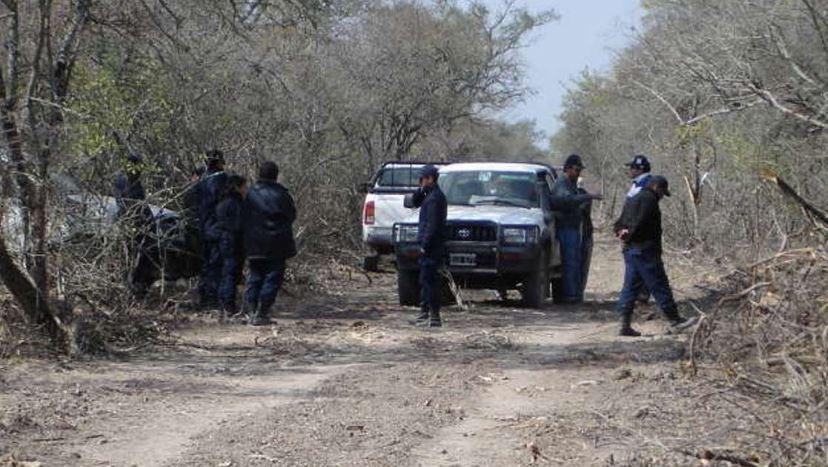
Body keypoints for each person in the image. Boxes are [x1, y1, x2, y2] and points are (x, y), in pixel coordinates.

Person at [613, 176, 697, 336]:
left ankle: (623, 324)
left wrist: (621, 232)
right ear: (656, 187)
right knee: (660, 285)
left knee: (630, 287)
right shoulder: (649, 199)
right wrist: (629, 234)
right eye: (662, 192)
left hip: (631, 251)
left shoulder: (632, 198)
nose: (661, 197)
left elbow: (620, 222)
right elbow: (640, 222)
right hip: (645, 251)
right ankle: (674, 320)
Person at [242, 161, 297, 326]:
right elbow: (291, 215)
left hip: (255, 243)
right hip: (277, 243)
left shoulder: (250, 194)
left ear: (260, 174)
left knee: (255, 275)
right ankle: (262, 311)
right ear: (276, 175)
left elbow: (243, 215)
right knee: (272, 277)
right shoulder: (282, 194)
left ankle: (251, 310)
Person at [551, 154, 602, 304]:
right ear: (567, 169)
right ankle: (570, 295)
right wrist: (588, 197)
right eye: (576, 169)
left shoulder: (571, 184)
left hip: (573, 227)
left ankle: (574, 293)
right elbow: (566, 201)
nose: (579, 173)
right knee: (570, 262)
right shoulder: (562, 184)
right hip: (566, 228)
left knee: (575, 261)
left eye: (580, 170)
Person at [410, 165, 447, 327]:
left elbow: (432, 225)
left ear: (430, 179)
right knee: (425, 279)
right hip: (430, 245)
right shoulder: (429, 195)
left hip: (432, 246)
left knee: (430, 280)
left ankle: (433, 316)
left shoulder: (435, 199)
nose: (420, 182)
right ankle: (425, 313)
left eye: (422, 179)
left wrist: (424, 245)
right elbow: (414, 201)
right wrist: (421, 189)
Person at [114, 153, 153, 295]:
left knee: (135, 256)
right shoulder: (126, 180)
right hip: (131, 223)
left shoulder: (129, 179)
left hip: (134, 223)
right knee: (133, 256)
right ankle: (132, 287)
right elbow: (130, 203)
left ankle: (134, 286)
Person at [197, 150, 228, 309]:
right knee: (216, 265)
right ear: (218, 163)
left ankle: (204, 298)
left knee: (206, 265)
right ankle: (213, 299)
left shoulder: (201, 181)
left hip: (203, 228)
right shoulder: (222, 180)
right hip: (218, 229)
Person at [215, 175, 247, 321]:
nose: (245, 189)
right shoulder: (235, 204)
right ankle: (229, 305)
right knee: (231, 274)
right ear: (237, 187)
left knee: (226, 273)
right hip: (233, 243)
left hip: (224, 241)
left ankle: (224, 304)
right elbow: (239, 226)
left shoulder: (222, 202)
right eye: (244, 186)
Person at [624, 155, 653, 304]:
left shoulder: (647, 184)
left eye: (632, 167)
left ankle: (642, 295)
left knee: (643, 264)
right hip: (632, 233)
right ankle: (635, 295)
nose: (630, 170)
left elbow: (642, 213)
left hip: (640, 234)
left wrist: (631, 230)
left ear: (640, 169)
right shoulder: (637, 184)